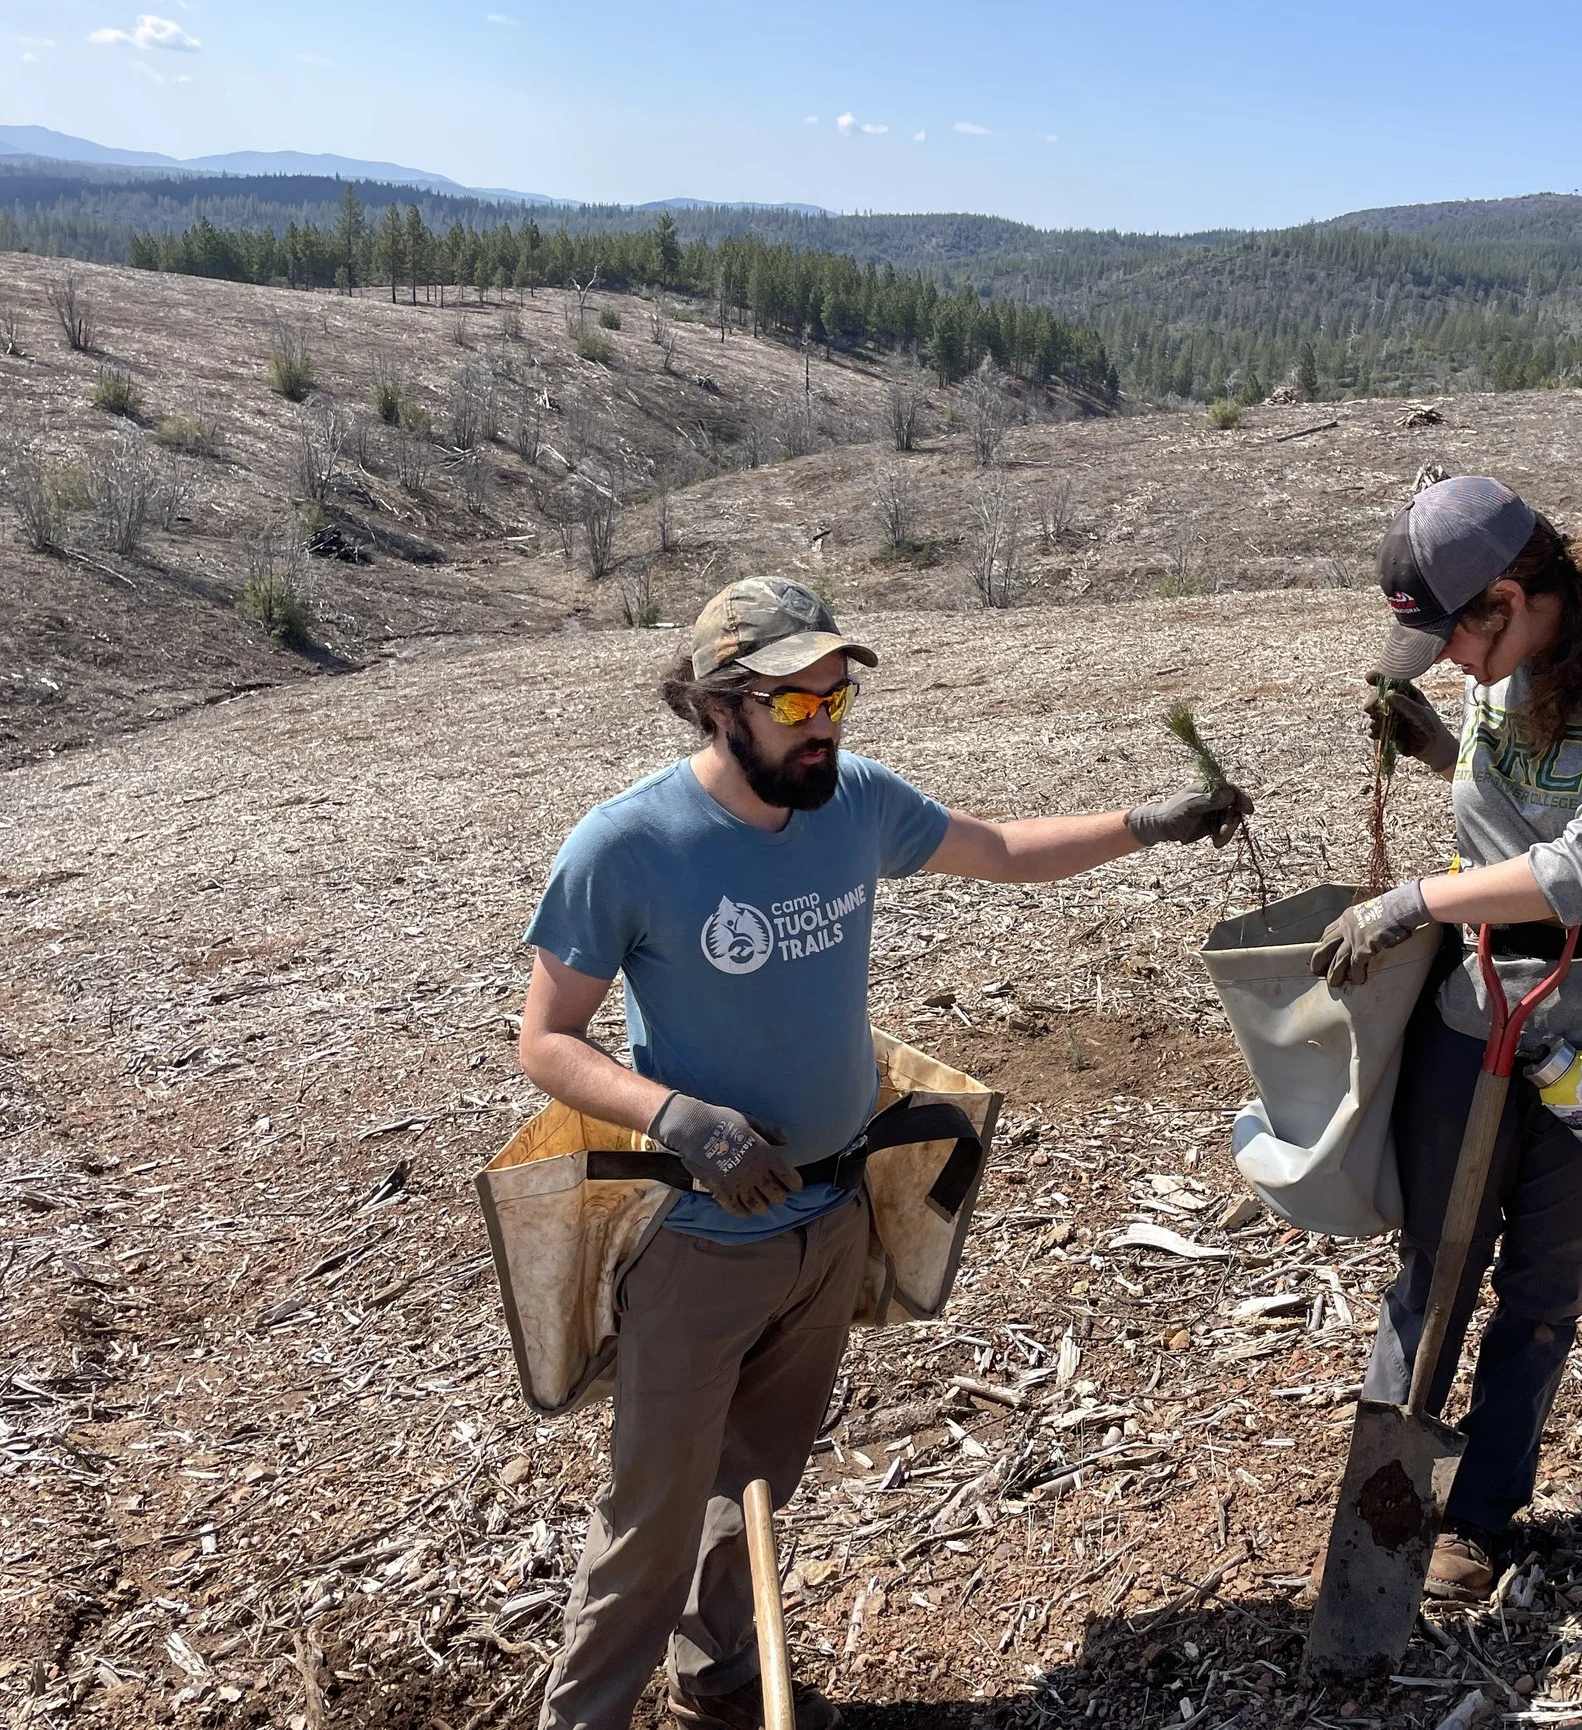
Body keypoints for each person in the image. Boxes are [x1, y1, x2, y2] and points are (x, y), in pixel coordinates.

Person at [518, 576, 1251, 1730]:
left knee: (757, 1474)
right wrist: (682, 1122)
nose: (826, 729)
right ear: (721, 707)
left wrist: (1145, 825)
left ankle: (721, 1674)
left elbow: (1001, 849)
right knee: (648, 1519)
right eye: (795, 707)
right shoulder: (628, 846)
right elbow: (548, 1040)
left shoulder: (854, 802)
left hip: (830, 1217)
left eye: (837, 698)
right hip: (700, 1244)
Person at [1311, 476, 1582, 1602]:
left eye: (1452, 634)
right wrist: (1445, 751)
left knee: (1542, 1285)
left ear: (1511, 596)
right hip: (1474, 1010)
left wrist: (1412, 902)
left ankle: (1481, 1514)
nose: (1450, 660)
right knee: (1431, 1268)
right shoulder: (1501, 675)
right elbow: (1526, 813)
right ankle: (1379, 1520)